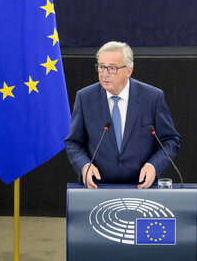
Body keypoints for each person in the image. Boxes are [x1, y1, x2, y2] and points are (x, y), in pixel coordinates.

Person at [65, 41, 181, 188]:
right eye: (101, 67)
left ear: (129, 71)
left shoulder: (152, 97)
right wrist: (84, 166)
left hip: (141, 187)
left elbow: (170, 139)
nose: (104, 74)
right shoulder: (85, 98)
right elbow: (74, 142)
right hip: (98, 188)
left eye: (112, 68)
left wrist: (153, 166)